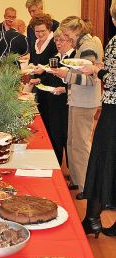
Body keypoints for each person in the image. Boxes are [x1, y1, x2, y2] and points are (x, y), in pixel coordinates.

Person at [50, 17, 103, 198]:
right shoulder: (85, 43)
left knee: (80, 145)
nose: (65, 37)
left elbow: (88, 79)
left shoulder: (88, 46)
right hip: (78, 100)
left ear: (76, 30)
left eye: (67, 34)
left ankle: (85, 187)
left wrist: (66, 75)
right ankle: (78, 180)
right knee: (73, 144)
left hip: (84, 101)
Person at [79, 0, 116, 237]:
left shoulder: (114, 41)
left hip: (113, 110)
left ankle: (92, 218)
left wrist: (97, 71)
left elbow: (113, 81)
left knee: (102, 160)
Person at [44, 28, 75, 165]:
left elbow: (78, 80)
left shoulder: (74, 57)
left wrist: (64, 89)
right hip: (54, 100)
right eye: (56, 40)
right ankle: (55, 165)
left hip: (68, 101)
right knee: (55, 133)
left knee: (68, 135)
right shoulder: (55, 57)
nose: (58, 43)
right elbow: (49, 78)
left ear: (70, 41)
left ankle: (72, 170)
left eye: (61, 40)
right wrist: (40, 79)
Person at [27, 13, 57, 131]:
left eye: (43, 31)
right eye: (37, 31)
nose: (39, 34)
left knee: (49, 120)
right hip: (39, 84)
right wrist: (31, 67)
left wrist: (43, 69)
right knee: (41, 116)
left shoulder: (54, 42)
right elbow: (34, 61)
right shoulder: (36, 42)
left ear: (49, 29)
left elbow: (56, 64)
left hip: (50, 85)